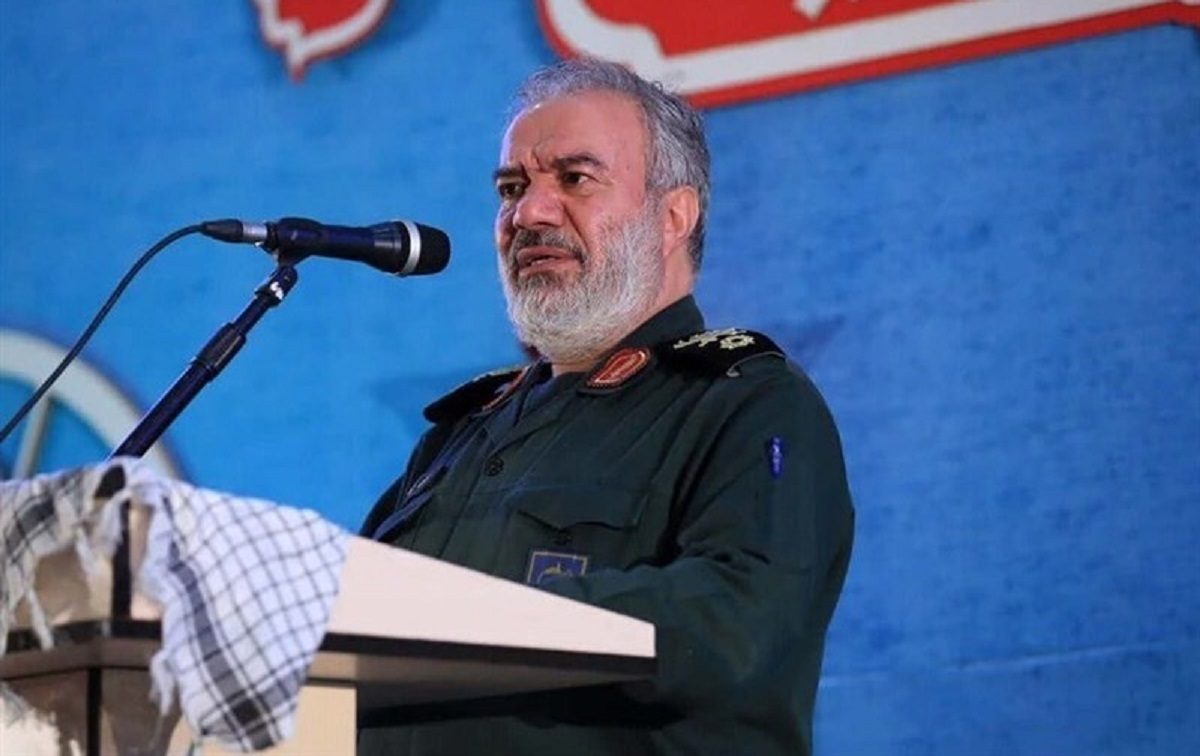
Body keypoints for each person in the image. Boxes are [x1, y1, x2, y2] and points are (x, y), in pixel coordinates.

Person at [357, 58, 855, 756]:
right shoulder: (460, 434)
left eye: (574, 179)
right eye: (511, 188)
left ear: (673, 217)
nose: (528, 214)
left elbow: (737, 625)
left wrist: (490, 620)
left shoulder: (747, 402)